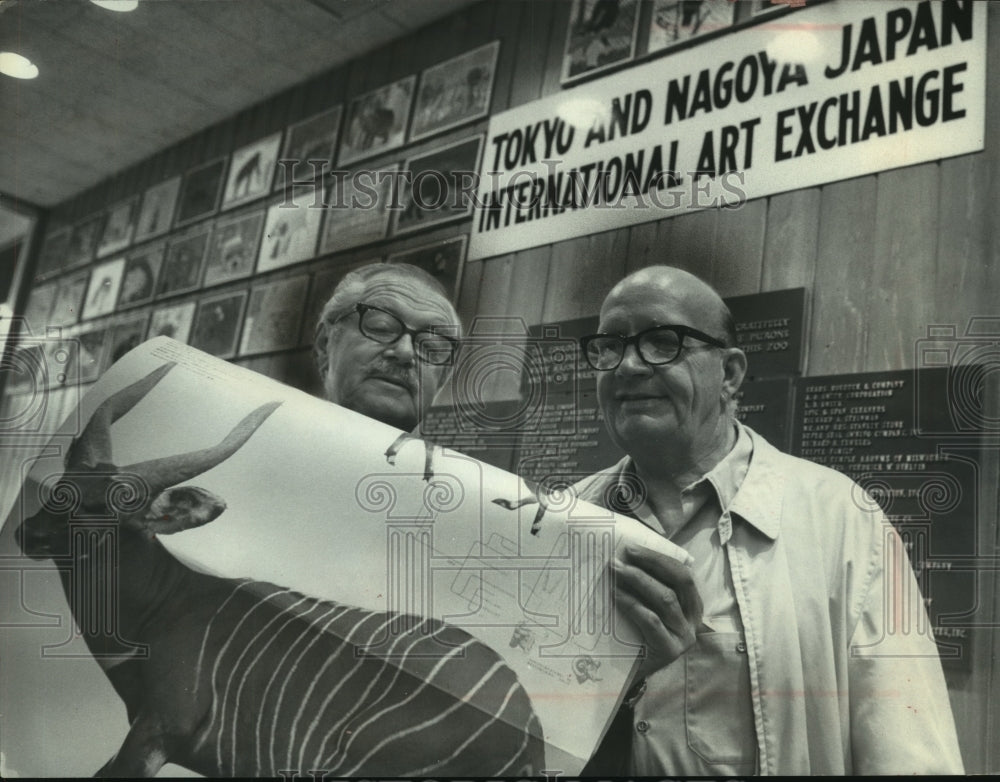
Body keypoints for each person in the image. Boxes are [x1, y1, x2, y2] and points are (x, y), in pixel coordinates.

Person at [574, 265, 964, 776]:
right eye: (610, 346)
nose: (626, 366)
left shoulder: (839, 517)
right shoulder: (568, 518)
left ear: (730, 374)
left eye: (661, 341)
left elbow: (911, 753)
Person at [313, 260, 704, 686]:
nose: (406, 353)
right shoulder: (234, 454)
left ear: (443, 377)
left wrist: (612, 672)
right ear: (323, 344)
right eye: (383, 326)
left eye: (432, 346)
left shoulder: (480, 520)